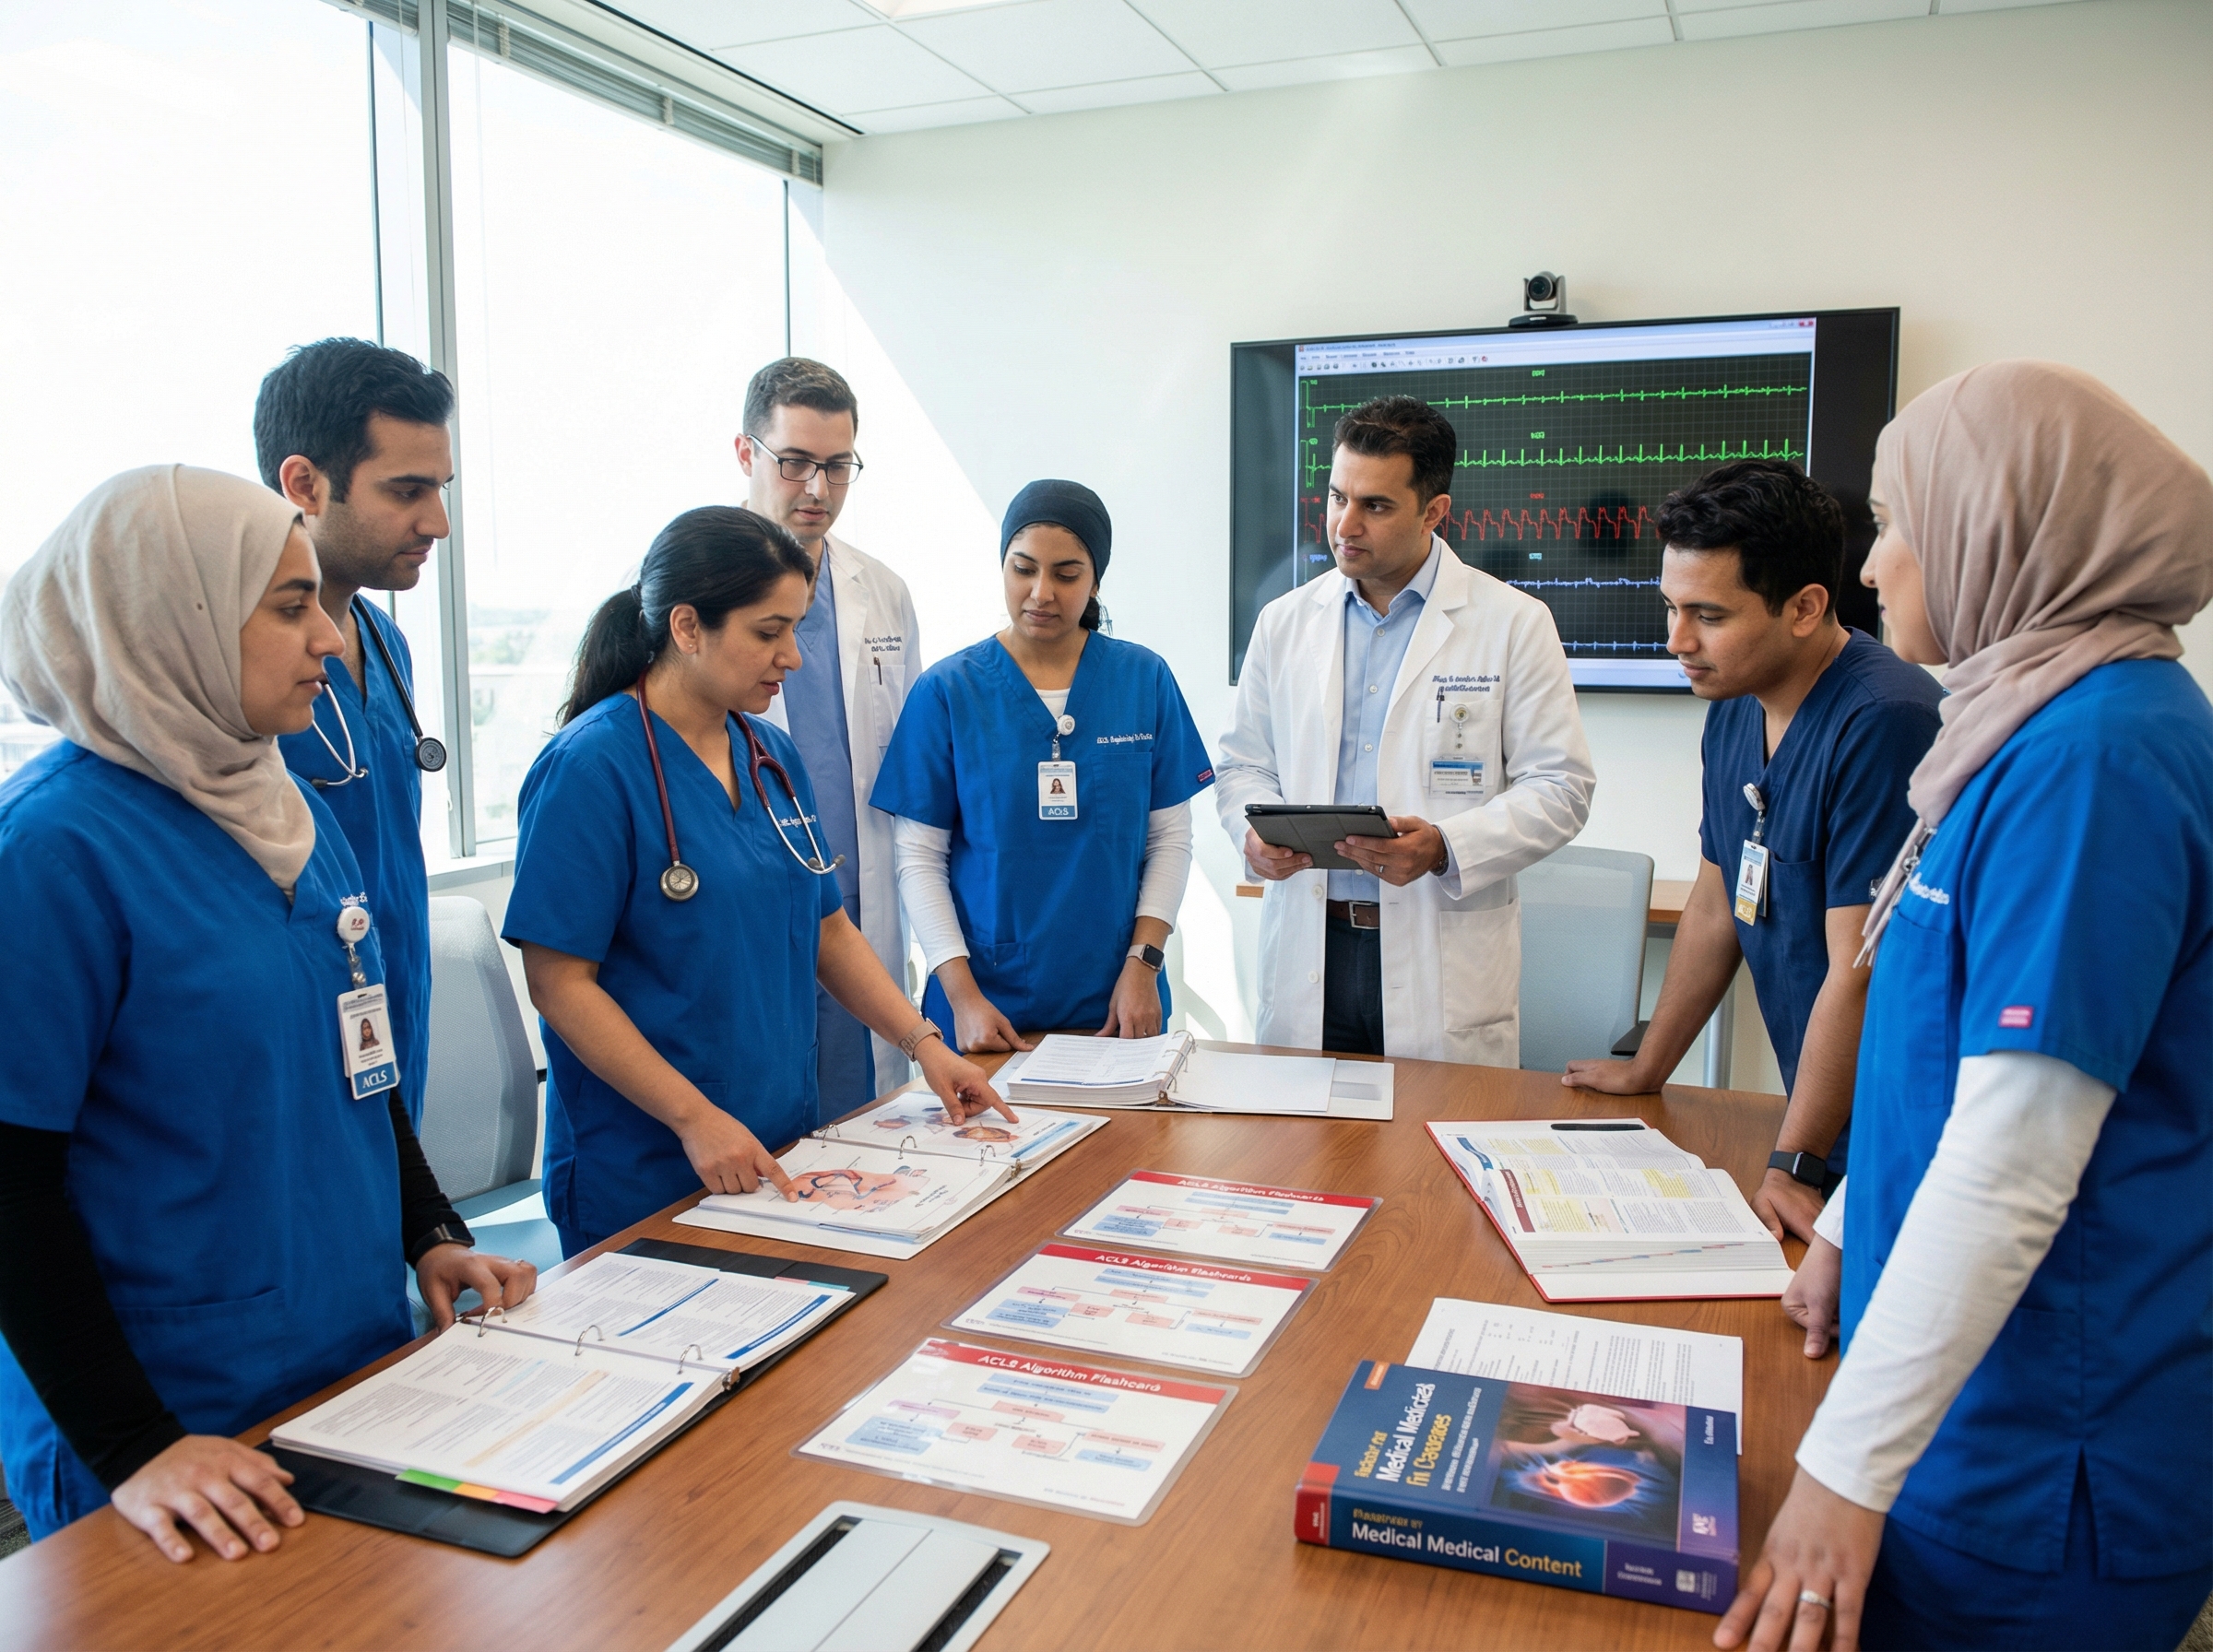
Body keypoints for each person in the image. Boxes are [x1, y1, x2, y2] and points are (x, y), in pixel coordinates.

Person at [1719, 363, 2213, 1652]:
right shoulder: (2016, 728)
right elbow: (1932, 1064)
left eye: (1900, 521)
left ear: (2010, 524)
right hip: (1957, 1410)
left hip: (2041, 1463)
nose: (1877, 563)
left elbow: (2014, 1155)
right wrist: (1848, 1234)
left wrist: (1843, 1475)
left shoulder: (2099, 755)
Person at [0, 467, 534, 1558]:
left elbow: (362, 1064)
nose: (330, 643)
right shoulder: (50, 853)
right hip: (173, 1420)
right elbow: (8, 1181)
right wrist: (136, 1444)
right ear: (171, 618)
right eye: (290, 607)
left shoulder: (285, 814)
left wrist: (428, 1231)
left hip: (346, 1361)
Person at [503, 506, 1007, 1257]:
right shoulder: (590, 768)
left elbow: (827, 928)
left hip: (776, 1141)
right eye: (768, 632)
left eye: (796, 629)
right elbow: (559, 983)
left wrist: (924, 1044)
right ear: (686, 627)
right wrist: (692, 1117)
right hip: (646, 1161)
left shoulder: (768, 754)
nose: (794, 658)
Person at [1562, 461, 1940, 1241]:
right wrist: (1647, 1068)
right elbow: (1713, 904)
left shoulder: (1884, 721)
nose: (1678, 641)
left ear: (1804, 607)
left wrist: (1794, 1162)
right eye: (1671, 608)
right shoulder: (1736, 706)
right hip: (1821, 1125)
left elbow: (1861, 968)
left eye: (1708, 614)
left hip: (1894, 1137)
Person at [1215, 395, 1594, 1065]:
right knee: (1301, 1155)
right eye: (1337, 497)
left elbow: (1561, 788)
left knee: (1426, 1158)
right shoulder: (1284, 621)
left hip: (1434, 951)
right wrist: (1250, 835)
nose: (1345, 524)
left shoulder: (1513, 622)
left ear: (1435, 511)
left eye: (1376, 506)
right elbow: (1242, 763)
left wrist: (1447, 845)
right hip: (1313, 946)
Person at [872, 480, 1213, 1050]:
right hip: (984, 1006)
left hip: (1118, 1000)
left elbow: (1170, 840)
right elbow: (918, 858)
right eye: (1022, 569)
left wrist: (1144, 966)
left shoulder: (1142, 680)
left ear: (1096, 579)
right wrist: (963, 998)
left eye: (1066, 573)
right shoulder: (948, 692)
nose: (1041, 592)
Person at [257, 338, 455, 1127]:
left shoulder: (385, 642)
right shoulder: (240, 669)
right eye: (407, 490)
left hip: (394, 1018)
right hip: (295, 1042)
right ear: (304, 483)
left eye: (440, 488)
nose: (436, 520)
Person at [737, 359, 921, 1119]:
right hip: (748, 902)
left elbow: (910, 772)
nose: (817, 488)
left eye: (837, 466)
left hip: (857, 906)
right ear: (746, 455)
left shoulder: (882, 593)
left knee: (860, 1128)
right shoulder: (684, 588)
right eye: (795, 463)